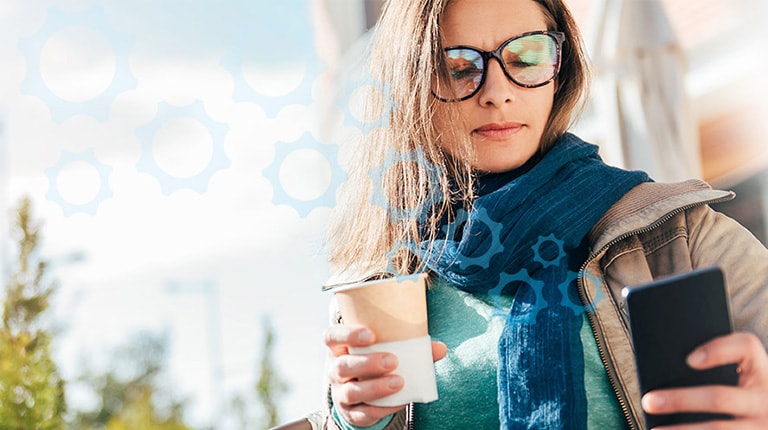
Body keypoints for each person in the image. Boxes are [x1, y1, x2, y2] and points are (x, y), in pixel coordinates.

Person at [316, 0, 768, 428]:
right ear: (411, 88)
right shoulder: (379, 276)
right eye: (458, 67)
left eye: (526, 57)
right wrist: (352, 419)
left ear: (560, 68)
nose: (497, 93)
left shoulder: (676, 233)